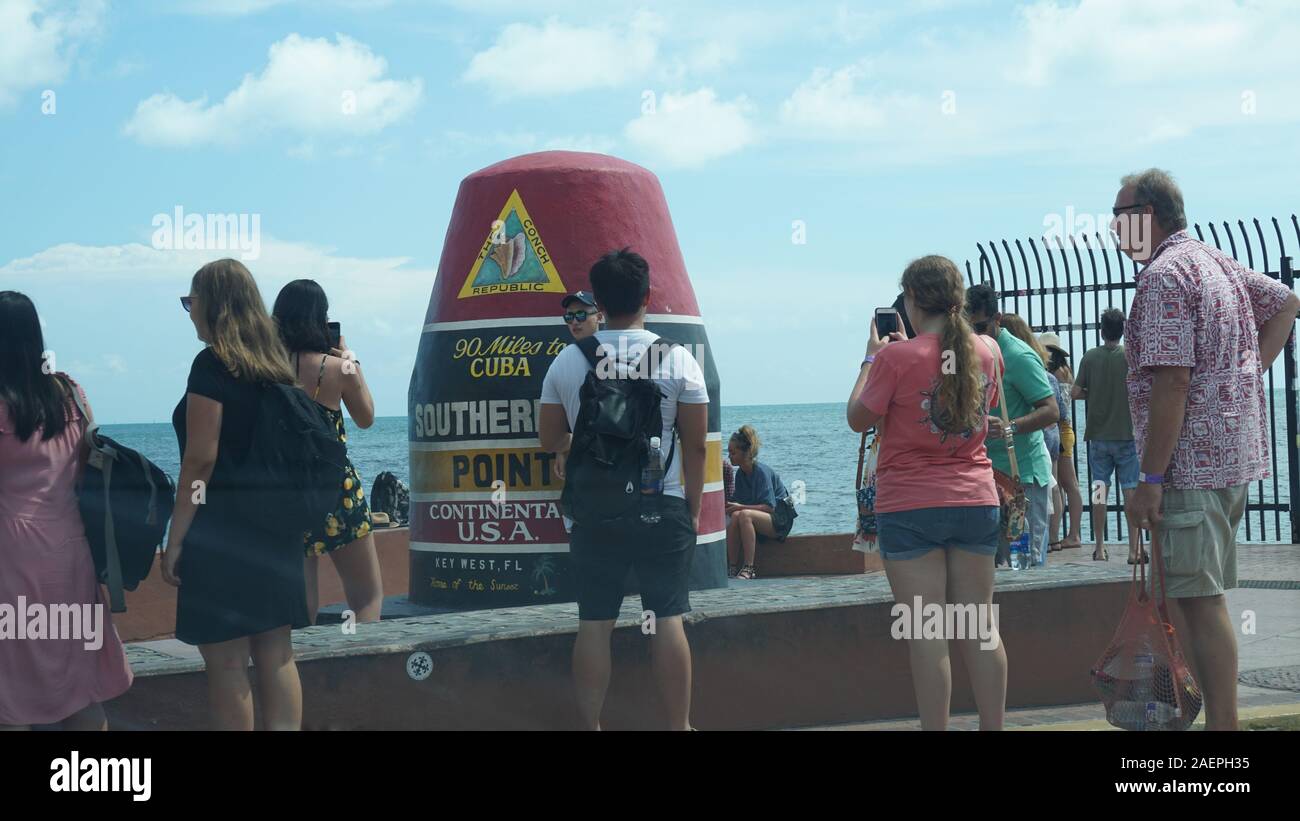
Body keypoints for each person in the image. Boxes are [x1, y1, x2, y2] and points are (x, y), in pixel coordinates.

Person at [1113, 168, 1299, 731]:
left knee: (1199, 601)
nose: (1114, 229)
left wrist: (1149, 479)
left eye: (1120, 216)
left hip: (1189, 467)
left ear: (1148, 215)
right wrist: (1244, 374)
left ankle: (1223, 733)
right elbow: (1286, 302)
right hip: (1229, 457)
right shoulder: (1213, 261)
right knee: (1196, 597)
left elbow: (1171, 380)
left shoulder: (1165, 275)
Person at [538, 248, 709, 730]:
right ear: (646, 296)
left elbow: (549, 439)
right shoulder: (678, 360)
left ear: (600, 302)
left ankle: (591, 726)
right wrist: (691, 511)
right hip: (663, 506)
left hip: (594, 512)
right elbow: (696, 448)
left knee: (594, 623)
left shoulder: (567, 362)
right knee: (668, 618)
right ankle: (678, 727)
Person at [847, 255, 1007, 731]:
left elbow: (858, 418)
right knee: (979, 626)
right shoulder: (988, 351)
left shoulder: (895, 359)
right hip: (976, 500)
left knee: (926, 629)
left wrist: (870, 358)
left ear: (911, 299)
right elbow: (986, 407)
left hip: (911, 505)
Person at [164, 259, 310, 731]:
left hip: (222, 531)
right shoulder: (275, 365)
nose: (188, 313)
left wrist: (177, 535)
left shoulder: (212, 366)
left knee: (227, 662)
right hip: (277, 530)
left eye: (191, 302)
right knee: (277, 656)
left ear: (213, 305)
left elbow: (200, 460)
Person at [0, 292, 133, 731]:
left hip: (12, 556)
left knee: (9, 690)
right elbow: (89, 462)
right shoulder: (71, 393)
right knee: (77, 684)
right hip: (72, 551)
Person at [273, 280, 382, 624]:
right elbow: (366, 418)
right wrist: (349, 358)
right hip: (337, 490)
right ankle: (364, 667)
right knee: (365, 593)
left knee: (300, 596)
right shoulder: (338, 368)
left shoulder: (266, 369)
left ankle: (300, 670)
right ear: (321, 319)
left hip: (287, 490)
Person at [965, 285, 1059, 568]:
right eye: (967, 328)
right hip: (986, 477)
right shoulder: (970, 354)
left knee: (1024, 568)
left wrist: (1009, 427)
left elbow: (1051, 410)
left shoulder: (1018, 356)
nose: (974, 334)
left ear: (998, 319)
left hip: (1022, 481)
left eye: (980, 327)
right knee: (991, 568)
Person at [1073, 308, 1142, 564]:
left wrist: (1095, 393)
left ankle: (1100, 546)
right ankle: (1134, 549)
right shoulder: (1130, 357)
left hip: (1098, 437)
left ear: (1101, 331)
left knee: (1099, 491)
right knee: (1130, 492)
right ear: (1122, 330)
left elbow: (1075, 392)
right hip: (1127, 435)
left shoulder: (1090, 357)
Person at [724, 425, 794, 580]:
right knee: (736, 516)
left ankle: (749, 568)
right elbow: (736, 503)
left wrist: (740, 507)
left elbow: (769, 507)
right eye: (729, 452)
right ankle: (732, 567)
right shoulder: (741, 475)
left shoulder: (761, 472)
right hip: (762, 517)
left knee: (744, 515)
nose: (729, 456)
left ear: (746, 452)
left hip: (780, 519)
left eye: (733, 452)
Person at [1039, 333, 1083, 552]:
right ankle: (1071, 532)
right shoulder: (1067, 372)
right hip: (1067, 429)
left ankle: (1065, 535)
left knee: (1063, 485)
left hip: (1058, 428)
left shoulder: (1052, 374)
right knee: (1068, 486)